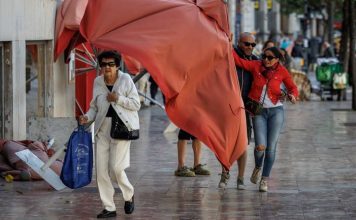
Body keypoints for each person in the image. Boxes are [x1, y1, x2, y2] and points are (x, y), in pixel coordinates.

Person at [79, 50, 140, 218]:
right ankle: (109, 207)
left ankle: (129, 193)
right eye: (104, 64)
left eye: (111, 64)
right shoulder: (98, 81)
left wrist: (118, 99)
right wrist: (87, 117)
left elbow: (136, 104)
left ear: (117, 66)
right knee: (101, 172)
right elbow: (94, 107)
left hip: (121, 128)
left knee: (116, 169)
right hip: (102, 129)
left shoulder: (126, 80)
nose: (107, 67)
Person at [233, 47, 298, 192]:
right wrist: (228, 43)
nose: (266, 60)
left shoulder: (282, 71)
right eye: (264, 56)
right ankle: (257, 166)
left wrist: (293, 95)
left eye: (270, 58)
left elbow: (292, 87)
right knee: (260, 147)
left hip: (276, 111)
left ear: (277, 59)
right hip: (259, 111)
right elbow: (239, 61)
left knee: (271, 148)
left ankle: (264, 179)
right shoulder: (256, 65)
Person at [218, 32, 258, 190]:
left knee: (243, 144)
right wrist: (226, 43)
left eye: (253, 45)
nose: (250, 47)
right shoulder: (229, 56)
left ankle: (240, 178)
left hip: (246, 108)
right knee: (226, 144)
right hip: (228, 107)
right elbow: (220, 55)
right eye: (247, 44)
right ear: (239, 43)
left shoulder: (255, 61)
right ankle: (224, 174)